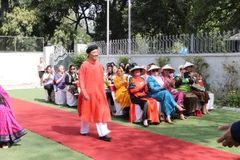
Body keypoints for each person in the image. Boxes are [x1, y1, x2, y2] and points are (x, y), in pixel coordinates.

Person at [78, 45, 112, 142]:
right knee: (86, 113)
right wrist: (84, 93)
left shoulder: (99, 66)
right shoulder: (84, 66)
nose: (96, 54)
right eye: (93, 53)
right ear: (89, 54)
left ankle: (103, 133)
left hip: (99, 94)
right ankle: (84, 130)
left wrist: (103, 92)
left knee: (101, 112)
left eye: (97, 52)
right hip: (88, 94)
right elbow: (82, 81)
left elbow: (101, 81)